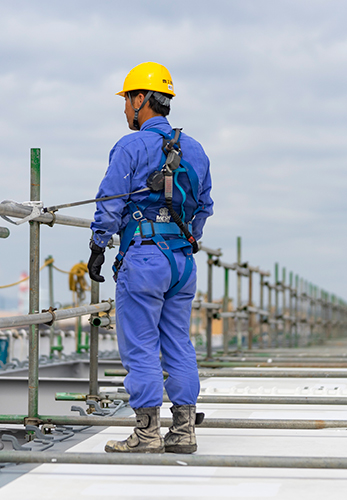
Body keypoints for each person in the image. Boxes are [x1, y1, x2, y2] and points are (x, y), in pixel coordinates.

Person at [87, 62, 213, 454]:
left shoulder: (130, 146)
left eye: (127, 100)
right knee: (178, 341)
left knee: (140, 345)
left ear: (140, 100)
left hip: (143, 259)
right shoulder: (195, 149)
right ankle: (184, 431)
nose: (125, 109)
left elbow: (110, 201)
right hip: (181, 260)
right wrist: (185, 239)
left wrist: (97, 245)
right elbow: (204, 206)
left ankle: (145, 435)